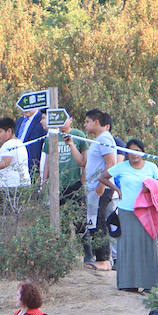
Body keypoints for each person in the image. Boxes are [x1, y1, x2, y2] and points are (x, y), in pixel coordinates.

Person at [101, 138, 158, 292]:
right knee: (127, 246)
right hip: (126, 211)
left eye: (137, 151)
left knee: (146, 245)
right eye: (131, 151)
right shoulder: (121, 167)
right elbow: (102, 177)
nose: (134, 154)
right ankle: (128, 283)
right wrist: (117, 189)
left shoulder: (151, 167)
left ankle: (150, 284)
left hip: (146, 210)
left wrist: (151, 189)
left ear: (143, 152)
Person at [61, 110, 118, 271]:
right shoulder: (96, 140)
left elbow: (111, 163)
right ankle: (100, 258)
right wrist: (71, 144)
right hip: (92, 189)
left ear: (96, 122)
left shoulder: (105, 138)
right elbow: (82, 162)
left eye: (87, 121)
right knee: (93, 223)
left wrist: (101, 185)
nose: (85, 125)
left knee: (99, 222)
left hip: (101, 188)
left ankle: (104, 260)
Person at [14, 105, 49, 183]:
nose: (26, 109)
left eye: (29, 106)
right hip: (18, 165)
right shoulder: (19, 121)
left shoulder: (42, 119)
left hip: (34, 167)